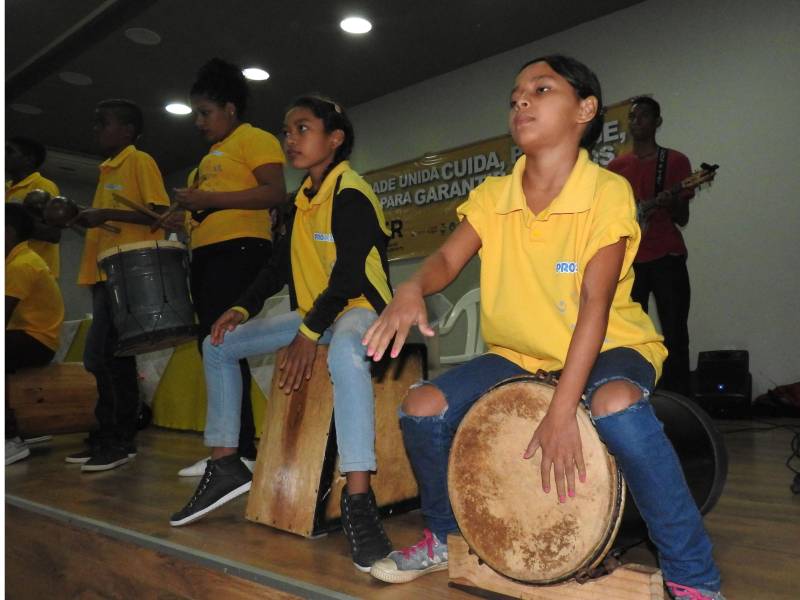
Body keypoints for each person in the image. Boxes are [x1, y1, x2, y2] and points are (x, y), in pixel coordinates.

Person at [362, 56, 724, 600]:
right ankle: (444, 536)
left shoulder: (605, 192)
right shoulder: (493, 196)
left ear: (585, 109)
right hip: (519, 355)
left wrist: (561, 412)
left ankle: (693, 576)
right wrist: (411, 289)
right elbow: (444, 261)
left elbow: (595, 306)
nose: (521, 101)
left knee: (616, 405)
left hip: (612, 345)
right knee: (420, 408)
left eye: (540, 88)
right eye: (514, 96)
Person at [170, 95, 395, 574]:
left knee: (345, 355)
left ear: (334, 139)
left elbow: (352, 276)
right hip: (316, 313)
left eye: (303, 129)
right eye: (287, 131)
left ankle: (359, 497)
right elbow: (276, 267)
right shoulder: (299, 203)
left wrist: (308, 334)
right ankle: (228, 461)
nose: (290, 139)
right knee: (218, 344)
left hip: (362, 309)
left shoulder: (350, 192)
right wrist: (239, 307)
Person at [171, 58, 286, 477]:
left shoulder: (253, 139)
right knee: (214, 346)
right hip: (207, 255)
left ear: (231, 109)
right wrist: (183, 217)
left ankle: (236, 450)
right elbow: (207, 208)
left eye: (206, 112)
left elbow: (274, 191)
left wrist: (207, 202)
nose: (199, 122)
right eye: (196, 113)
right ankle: (233, 449)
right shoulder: (207, 159)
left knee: (222, 344)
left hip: (239, 251)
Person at [64, 99, 170, 472]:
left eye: (103, 123)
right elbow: (103, 227)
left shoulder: (138, 161)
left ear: (127, 131)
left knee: (106, 357)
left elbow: (161, 216)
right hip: (102, 273)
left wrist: (106, 213)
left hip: (127, 272)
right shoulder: (106, 169)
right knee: (106, 358)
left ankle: (119, 439)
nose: (97, 130)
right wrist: (79, 218)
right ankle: (107, 435)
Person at [607, 97, 694, 395]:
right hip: (630, 262)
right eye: (632, 117)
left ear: (657, 122)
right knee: (628, 335)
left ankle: (683, 403)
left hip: (667, 256)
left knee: (674, 332)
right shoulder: (616, 167)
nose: (636, 122)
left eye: (643, 116)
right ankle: (633, 395)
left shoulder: (674, 161)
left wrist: (671, 204)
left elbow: (682, 218)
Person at [5, 203, 64, 465]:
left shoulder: (21, 264)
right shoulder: (14, 260)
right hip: (26, 336)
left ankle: (9, 440)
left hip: (37, 340)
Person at [5, 136, 63, 277]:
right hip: (11, 271)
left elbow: (53, 234)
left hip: (34, 273)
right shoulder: (5, 189)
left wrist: (13, 223)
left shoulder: (43, 186)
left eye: (9, 151)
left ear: (29, 159)